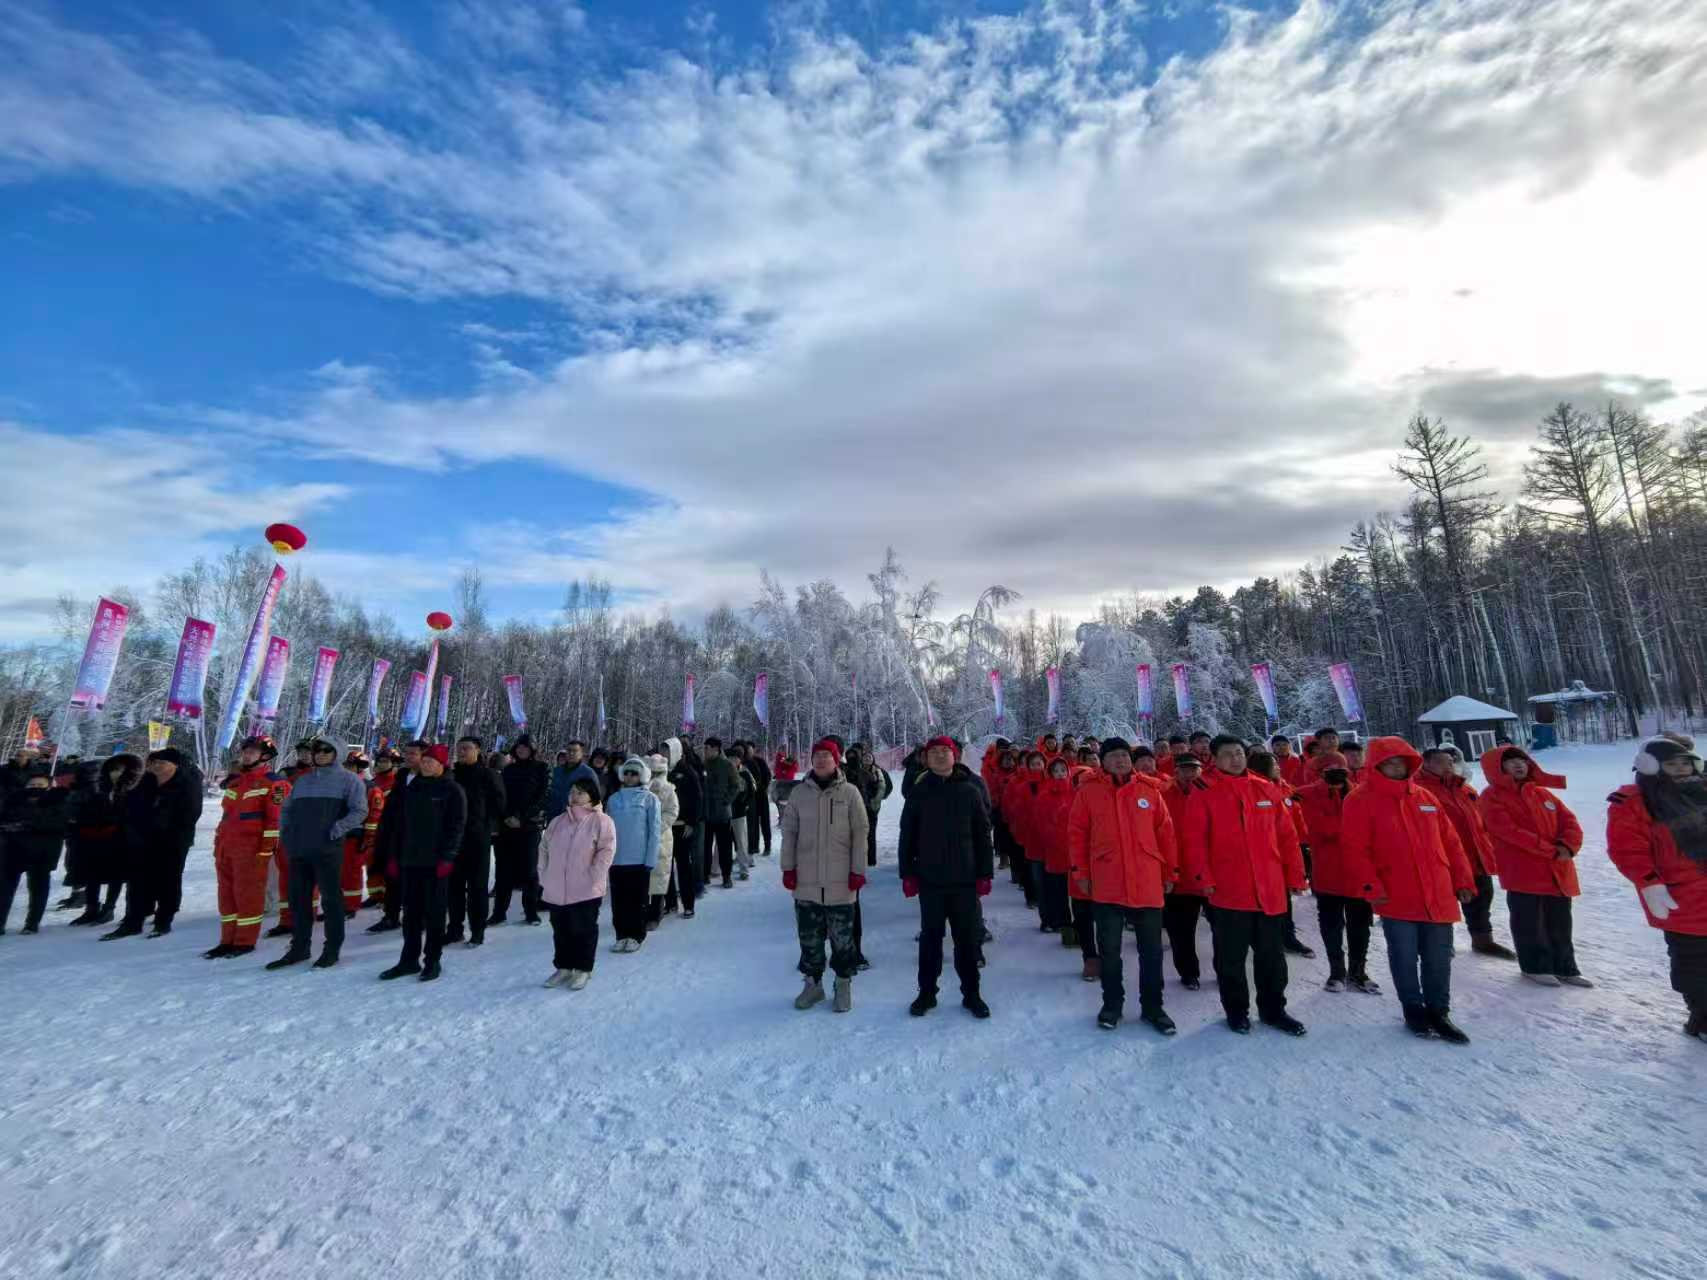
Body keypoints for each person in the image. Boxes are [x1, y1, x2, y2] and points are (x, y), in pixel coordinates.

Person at [1339, 737, 1477, 1042]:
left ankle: (1439, 1011)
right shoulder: (1360, 799)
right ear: (1376, 765)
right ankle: (1413, 1009)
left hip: (1438, 890)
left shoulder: (1425, 797)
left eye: (1401, 761)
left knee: (1438, 956)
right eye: (1389, 762)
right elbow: (1354, 849)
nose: (1397, 767)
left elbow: (1451, 842)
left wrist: (1463, 880)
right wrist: (1370, 885)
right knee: (1404, 955)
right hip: (1396, 891)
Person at [1180, 735, 1308, 1036]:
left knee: (1272, 957)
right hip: (1229, 890)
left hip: (1269, 889)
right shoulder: (1204, 791)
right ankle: (1236, 1011)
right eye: (1228, 754)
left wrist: (1295, 875)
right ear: (1214, 759)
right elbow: (1194, 840)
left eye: (1239, 753)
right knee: (1231, 959)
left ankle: (1274, 1010)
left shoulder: (1264, 788)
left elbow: (1287, 836)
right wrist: (1203, 878)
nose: (1235, 759)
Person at [1068, 738, 1179, 1034]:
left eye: (1124, 755)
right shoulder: (1089, 792)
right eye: (1113, 756)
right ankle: (1112, 1005)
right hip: (1107, 882)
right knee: (1109, 950)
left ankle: (1153, 1008)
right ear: (1102, 761)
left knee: (1151, 952)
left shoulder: (1149, 790)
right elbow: (1077, 834)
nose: (1120, 760)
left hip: (1147, 881)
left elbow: (1166, 834)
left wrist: (1170, 872)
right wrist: (1081, 873)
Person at [1607, 736, 1707, 1041]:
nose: (1681, 769)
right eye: (1672, 764)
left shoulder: (1703, 790)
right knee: (1694, 960)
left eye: (1685, 762)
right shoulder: (1635, 801)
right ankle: (1702, 1018)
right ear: (1651, 767)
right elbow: (1627, 848)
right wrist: (1650, 883)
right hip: (1680, 895)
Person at [898, 736, 994, 1019]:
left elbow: (982, 835)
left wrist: (984, 873)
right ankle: (927, 993)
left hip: (965, 879)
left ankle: (972, 994)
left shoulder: (970, 790)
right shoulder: (919, 792)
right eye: (934, 752)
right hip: (931, 880)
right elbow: (907, 835)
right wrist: (908, 873)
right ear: (926, 758)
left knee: (967, 940)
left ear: (955, 756)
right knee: (931, 939)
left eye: (945, 751)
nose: (940, 756)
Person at [1478, 745, 1588, 987]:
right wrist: (1550, 849)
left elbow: (1569, 822)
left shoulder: (1542, 794)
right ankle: (1534, 966)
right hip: (1523, 871)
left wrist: (1568, 846)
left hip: (1557, 869)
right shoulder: (1491, 796)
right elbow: (1507, 831)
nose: (1519, 765)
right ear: (1497, 768)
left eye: (1522, 760)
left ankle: (1565, 967)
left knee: (1560, 922)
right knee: (1529, 923)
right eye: (1511, 761)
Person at [781, 739, 870, 1012]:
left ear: (836, 760)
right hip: (806, 881)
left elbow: (860, 834)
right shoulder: (799, 794)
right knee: (809, 939)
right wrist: (788, 868)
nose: (821, 760)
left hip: (841, 882)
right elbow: (789, 833)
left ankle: (843, 985)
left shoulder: (850, 793)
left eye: (827, 756)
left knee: (843, 941)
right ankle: (813, 985)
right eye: (817, 756)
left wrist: (857, 871)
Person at [267, 738, 369, 970]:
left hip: (328, 850)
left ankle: (331, 949)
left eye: (326, 750)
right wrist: (287, 835)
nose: (320, 754)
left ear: (337, 753)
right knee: (299, 900)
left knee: (331, 901)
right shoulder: (304, 781)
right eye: (316, 750)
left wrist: (336, 830)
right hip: (300, 849)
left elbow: (360, 810)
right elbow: (287, 810)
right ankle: (299, 948)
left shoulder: (349, 780)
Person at [1416, 746, 1515, 960]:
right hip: (1442, 858)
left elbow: (1483, 820)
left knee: (1482, 898)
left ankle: (1482, 940)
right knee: (1443, 901)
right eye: (1441, 762)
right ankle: (1441, 943)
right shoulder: (1419, 790)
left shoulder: (1464, 788)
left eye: (1450, 762)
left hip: (1475, 856)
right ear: (1426, 764)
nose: (1448, 766)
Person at [378, 744, 466, 982]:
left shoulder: (451, 790)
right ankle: (408, 960)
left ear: (441, 764)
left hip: (436, 862)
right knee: (411, 913)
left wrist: (448, 857)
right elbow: (399, 826)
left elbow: (456, 827)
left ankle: (432, 960)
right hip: (410, 860)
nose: (425, 765)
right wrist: (394, 856)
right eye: (424, 761)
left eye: (430, 762)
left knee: (434, 914)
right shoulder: (412, 787)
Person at [1293, 751, 1377, 992]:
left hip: (1359, 871)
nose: (1336, 774)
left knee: (1360, 923)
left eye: (1340, 769)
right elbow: (1310, 829)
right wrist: (1348, 831)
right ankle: (1336, 971)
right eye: (1329, 770)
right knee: (1331, 924)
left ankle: (1358, 971)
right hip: (1327, 871)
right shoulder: (1305, 794)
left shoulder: (1361, 793)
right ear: (1320, 773)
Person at [103, 748, 203, 940]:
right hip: (144, 839)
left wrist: (166, 827)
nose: (156, 766)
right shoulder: (147, 781)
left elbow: (190, 814)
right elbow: (132, 806)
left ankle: (163, 920)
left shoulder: (187, 783)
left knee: (168, 879)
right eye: (154, 762)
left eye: (162, 763)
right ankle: (133, 921)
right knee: (137, 880)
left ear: (174, 765)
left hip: (173, 841)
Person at [537, 777, 617, 990]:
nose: (574, 796)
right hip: (556, 888)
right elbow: (543, 848)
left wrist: (594, 876)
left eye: (580, 792)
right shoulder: (558, 821)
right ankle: (564, 967)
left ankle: (583, 969)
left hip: (585, 889)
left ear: (592, 796)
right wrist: (544, 874)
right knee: (560, 930)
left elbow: (606, 851)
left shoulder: (602, 821)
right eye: (572, 791)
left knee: (583, 930)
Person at [66, 754, 143, 926]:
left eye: (119, 770)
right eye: (112, 770)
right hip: (94, 836)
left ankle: (109, 908)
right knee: (91, 873)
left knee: (116, 874)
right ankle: (91, 908)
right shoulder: (100, 787)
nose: (115, 773)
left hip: (121, 838)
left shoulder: (134, 788)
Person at [1159, 753, 1212, 989]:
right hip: (1178, 876)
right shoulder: (1163, 795)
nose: (1190, 774)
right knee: (1181, 932)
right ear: (1176, 772)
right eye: (1185, 769)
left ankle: (1226, 972)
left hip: (1210, 876)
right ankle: (1188, 973)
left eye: (1195, 769)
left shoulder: (1212, 793)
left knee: (1224, 931)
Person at [447, 737, 505, 948]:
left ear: (478, 750)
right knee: (453, 886)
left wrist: (486, 825)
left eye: (467, 748)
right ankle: (454, 929)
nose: (462, 752)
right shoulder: (451, 775)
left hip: (477, 837)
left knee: (477, 887)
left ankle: (477, 930)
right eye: (459, 748)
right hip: (454, 838)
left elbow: (500, 803)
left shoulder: (488, 775)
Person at [0, 764, 70, 934]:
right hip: (13, 849)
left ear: (48, 786)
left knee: (38, 888)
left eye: (40, 785)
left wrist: (27, 825)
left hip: (43, 852)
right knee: (5, 889)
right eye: (32, 785)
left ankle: (32, 923)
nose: (36, 788)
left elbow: (59, 824)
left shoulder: (58, 800)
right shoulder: (13, 800)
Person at [365, 742, 424, 934]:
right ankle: (390, 916)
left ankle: (417, 917)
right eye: (407, 753)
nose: (408, 757)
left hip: (418, 839)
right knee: (392, 877)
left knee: (415, 881)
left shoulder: (431, 778)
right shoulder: (402, 776)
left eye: (413, 753)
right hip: (396, 835)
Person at [491, 733, 550, 927]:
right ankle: (499, 912)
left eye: (525, 747)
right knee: (503, 870)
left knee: (529, 870)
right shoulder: (508, 770)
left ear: (532, 749)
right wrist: (507, 816)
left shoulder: (541, 768)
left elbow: (543, 796)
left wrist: (522, 818)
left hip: (530, 825)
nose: (522, 750)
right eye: (519, 747)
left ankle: (531, 911)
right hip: (507, 825)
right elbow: (501, 795)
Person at [605, 757, 661, 951]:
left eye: (634, 773)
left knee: (637, 900)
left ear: (642, 776)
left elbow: (654, 831)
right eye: (627, 773)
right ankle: (621, 934)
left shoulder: (650, 799)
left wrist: (650, 859)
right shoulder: (614, 799)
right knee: (618, 901)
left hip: (639, 859)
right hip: (617, 858)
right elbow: (607, 830)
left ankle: (636, 935)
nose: (629, 777)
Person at [1032, 757, 1075, 936]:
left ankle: (1076, 923)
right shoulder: (1045, 795)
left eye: (1063, 770)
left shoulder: (1075, 793)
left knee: (1076, 889)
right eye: (1056, 771)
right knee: (1058, 888)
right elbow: (1041, 823)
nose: (1060, 774)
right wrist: (1054, 837)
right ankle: (1060, 921)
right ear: (1050, 774)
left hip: (1074, 848)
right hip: (1055, 849)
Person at [359, 748, 400, 910]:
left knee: (388, 864)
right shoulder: (374, 781)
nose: (381, 764)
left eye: (385, 761)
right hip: (373, 829)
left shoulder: (397, 782)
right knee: (372, 863)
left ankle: (389, 895)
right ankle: (375, 895)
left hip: (390, 830)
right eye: (380, 761)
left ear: (393, 763)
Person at [666, 739, 702, 919]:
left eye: (667, 751)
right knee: (666, 865)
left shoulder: (688, 772)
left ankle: (688, 903)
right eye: (663, 751)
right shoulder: (663, 771)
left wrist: (691, 822)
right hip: (665, 826)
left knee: (683, 865)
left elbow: (697, 798)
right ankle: (670, 902)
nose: (664, 755)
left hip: (682, 825)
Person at [643, 752, 680, 929]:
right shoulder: (641, 790)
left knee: (659, 876)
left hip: (661, 838)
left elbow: (672, 811)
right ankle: (644, 912)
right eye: (652, 773)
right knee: (644, 878)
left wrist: (657, 826)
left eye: (657, 773)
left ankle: (655, 915)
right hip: (642, 838)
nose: (654, 777)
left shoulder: (668, 790)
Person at [702, 737, 741, 889]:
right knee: (705, 847)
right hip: (706, 813)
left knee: (724, 847)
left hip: (723, 814)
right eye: (705, 748)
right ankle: (705, 875)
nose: (705, 751)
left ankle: (726, 876)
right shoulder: (703, 764)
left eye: (707, 748)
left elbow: (736, 785)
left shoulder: (727, 765)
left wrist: (726, 800)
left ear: (716, 749)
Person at [545, 740, 600, 820]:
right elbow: (548, 793)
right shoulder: (556, 772)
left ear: (581, 754)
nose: (571, 753)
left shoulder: (588, 774)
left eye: (575, 751)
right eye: (569, 750)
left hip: (577, 820)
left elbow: (596, 799)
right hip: (554, 818)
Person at [728, 746, 755, 880]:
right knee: (724, 843)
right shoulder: (725, 772)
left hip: (739, 812)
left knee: (741, 842)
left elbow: (752, 790)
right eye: (730, 758)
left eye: (735, 758)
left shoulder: (745, 773)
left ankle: (744, 869)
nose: (733, 761)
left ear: (740, 760)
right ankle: (718, 868)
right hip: (725, 812)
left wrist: (745, 804)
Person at [746, 743, 774, 856]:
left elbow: (767, 776)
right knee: (753, 823)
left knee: (765, 821)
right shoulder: (744, 763)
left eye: (750, 750)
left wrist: (763, 787)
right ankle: (754, 846)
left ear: (753, 750)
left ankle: (767, 846)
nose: (749, 752)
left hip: (761, 796)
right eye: (747, 750)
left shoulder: (760, 761)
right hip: (750, 798)